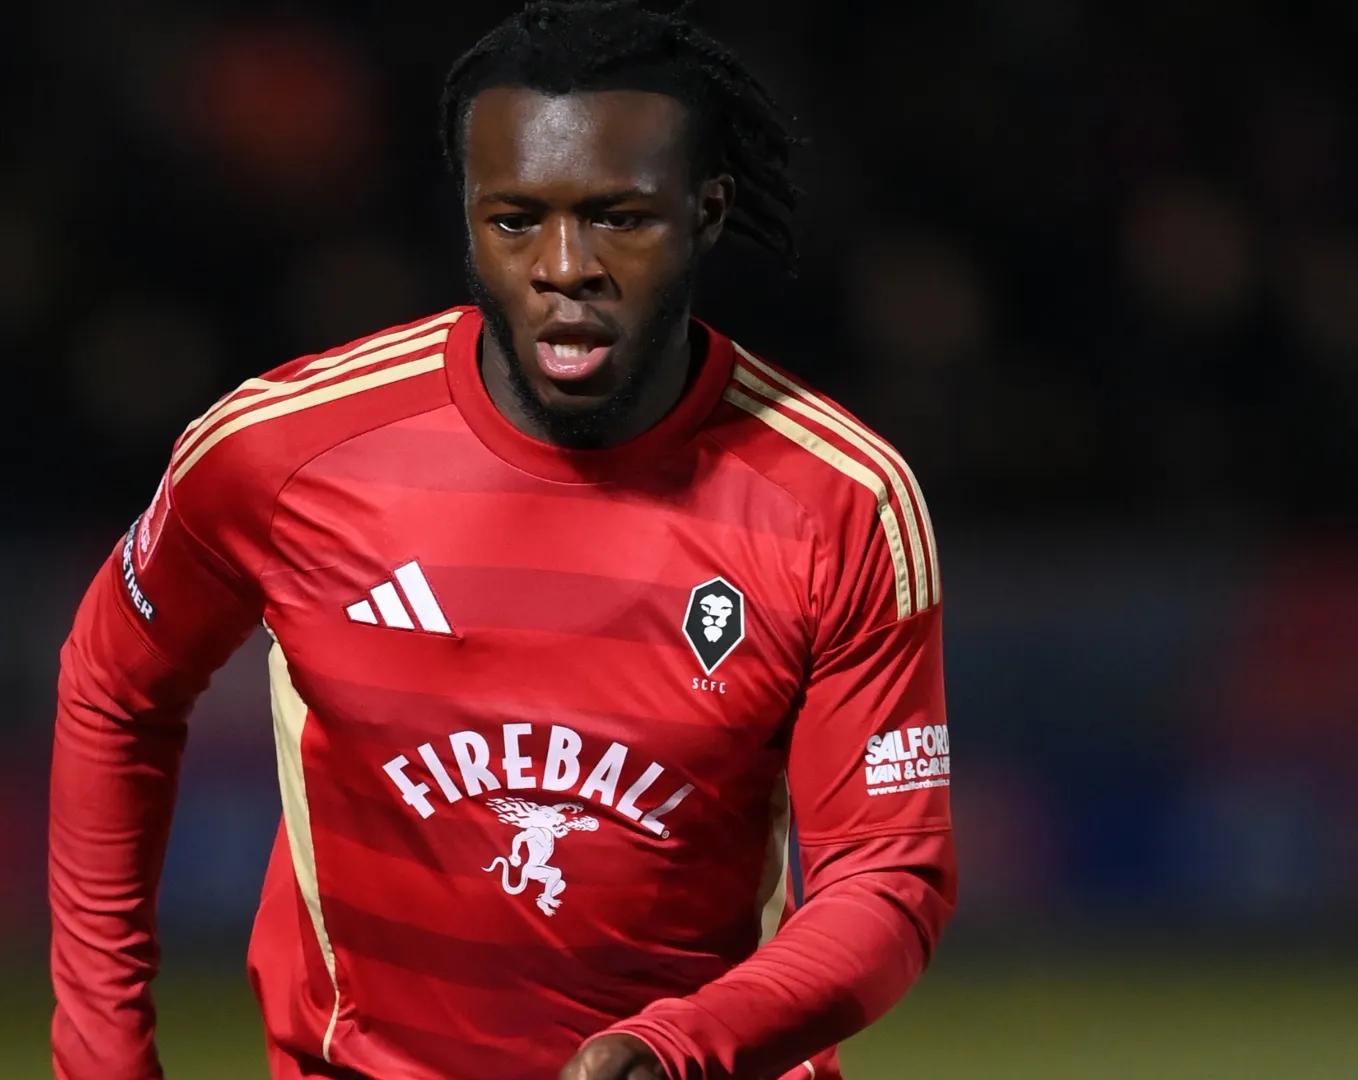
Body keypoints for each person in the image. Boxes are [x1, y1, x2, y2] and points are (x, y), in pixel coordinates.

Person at [49, 3, 955, 1078]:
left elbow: (888, 882)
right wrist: (103, 1057)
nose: (565, 265)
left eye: (619, 217)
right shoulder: (280, 454)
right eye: (515, 219)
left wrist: (677, 1050)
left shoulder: (838, 499)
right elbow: (115, 687)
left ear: (708, 212)